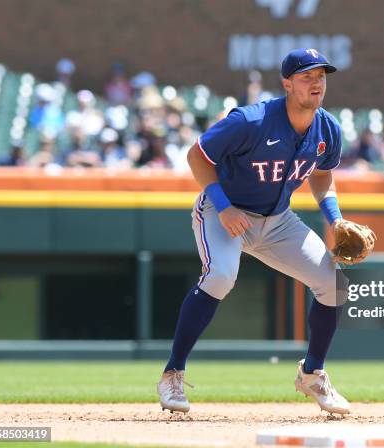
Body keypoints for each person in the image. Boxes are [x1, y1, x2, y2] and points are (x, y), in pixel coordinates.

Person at [158, 48, 353, 416]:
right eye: (307, 76)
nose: (316, 83)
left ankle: (312, 374)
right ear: (287, 83)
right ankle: (173, 373)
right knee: (220, 276)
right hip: (223, 210)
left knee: (336, 286)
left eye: (321, 76)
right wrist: (225, 206)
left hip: (278, 220)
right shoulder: (251, 120)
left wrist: (335, 218)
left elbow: (323, 176)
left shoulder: (328, 128)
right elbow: (197, 156)